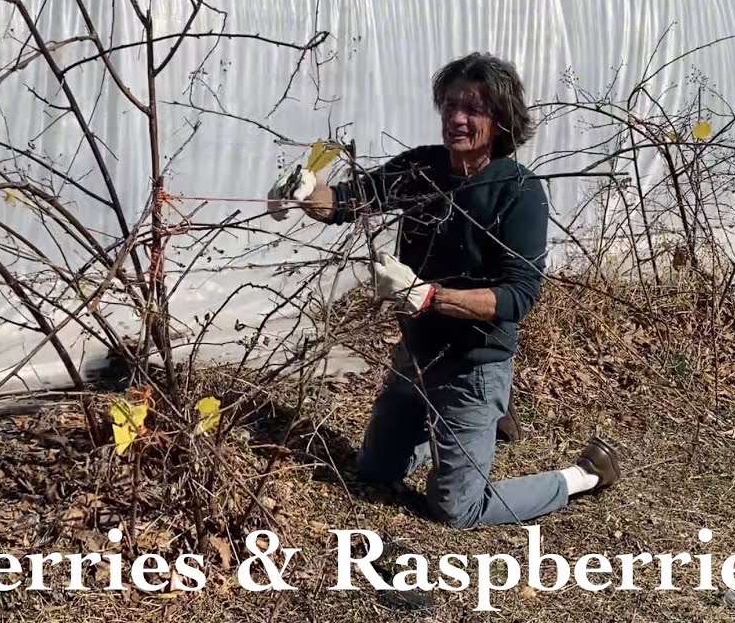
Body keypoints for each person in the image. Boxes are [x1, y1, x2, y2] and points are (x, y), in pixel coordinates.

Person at [266, 52, 621, 528]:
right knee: (376, 471)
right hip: (416, 355)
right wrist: (306, 190)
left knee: (457, 509)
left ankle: (583, 475)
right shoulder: (423, 169)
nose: (457, 118)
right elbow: (351, 201)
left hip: (473, 364)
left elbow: (518, 297)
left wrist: (428, 296)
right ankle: (478, 426)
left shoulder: (519, 191)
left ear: (500, 119)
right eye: (451, 105)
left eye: (473, 109)